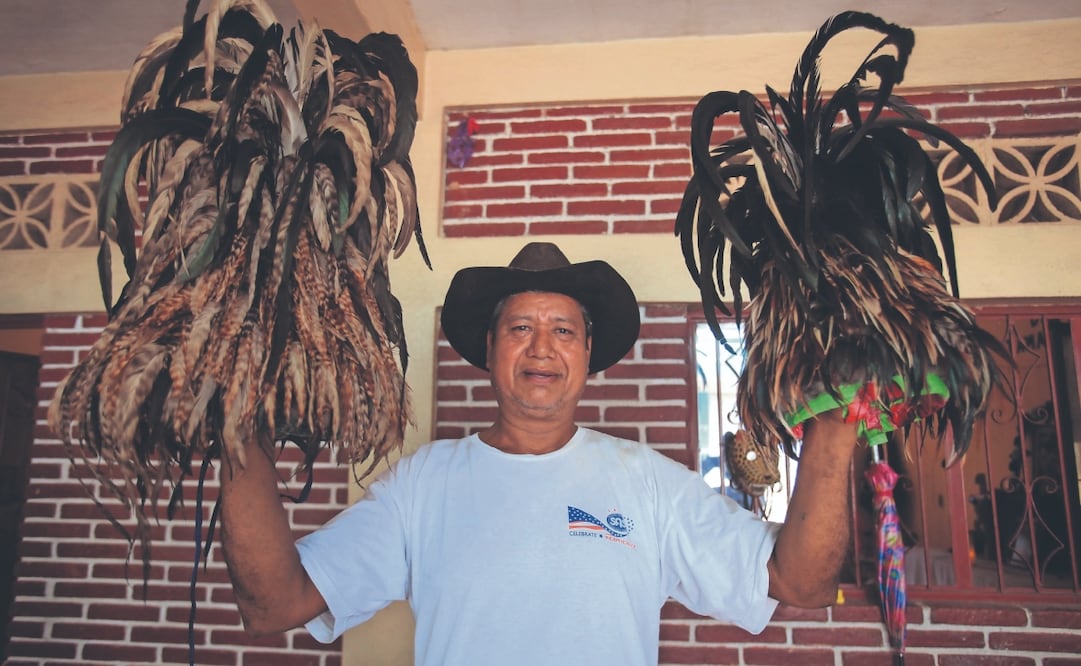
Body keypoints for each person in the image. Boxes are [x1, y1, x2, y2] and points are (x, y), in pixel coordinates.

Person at [220, 242, 860, 665]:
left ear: (587, 353)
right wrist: (234, 426)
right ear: (491, 348)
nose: (542, 349)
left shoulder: (650, 485)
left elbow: (800, 582)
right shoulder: (423, 485)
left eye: (563, 331)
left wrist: (835, 423)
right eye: (521, 328)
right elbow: (273, 603)